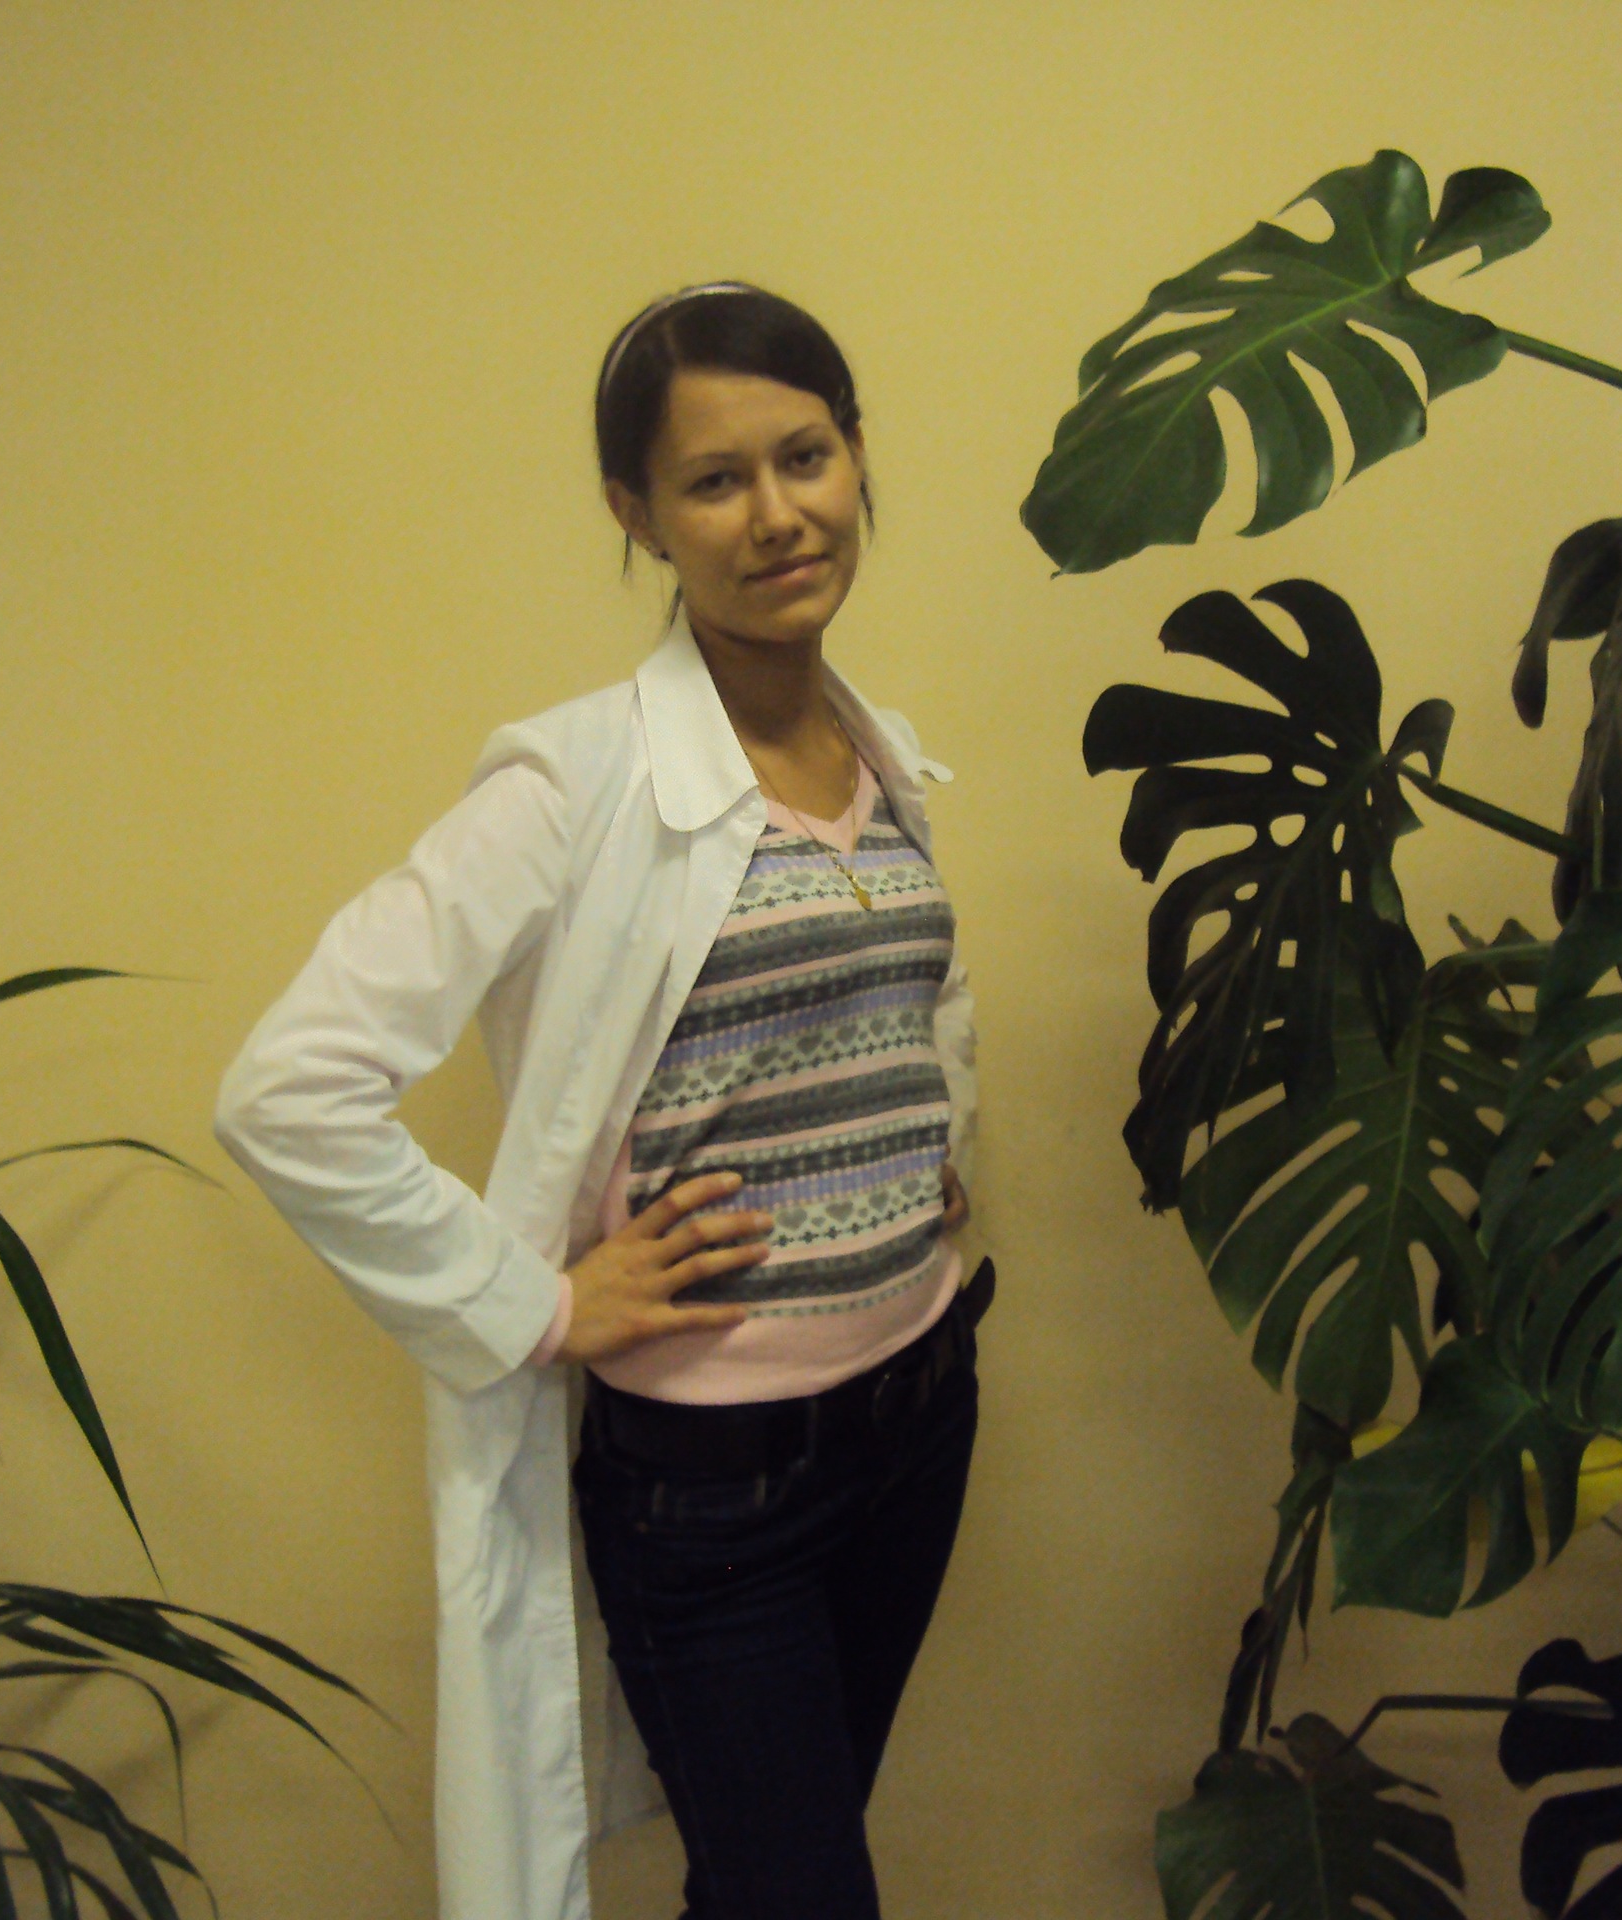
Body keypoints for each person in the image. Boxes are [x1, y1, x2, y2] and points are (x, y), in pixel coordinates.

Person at [215, 281, 983, 1920]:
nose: (777, 515)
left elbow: (907, 1003)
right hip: (721, 1485)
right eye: (715, 481)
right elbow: (289, 1089)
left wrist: (932, 1170)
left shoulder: (878, 756)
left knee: (770, 1880)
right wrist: (540, 1305)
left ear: (858, 458)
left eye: (806, 457)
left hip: (920, 1413)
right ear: (637, 514)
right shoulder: (570, 783)